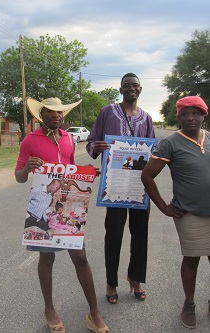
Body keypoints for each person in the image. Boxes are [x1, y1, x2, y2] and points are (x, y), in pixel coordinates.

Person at [15, 96, 110, 333]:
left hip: (67, 207)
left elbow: (70, 169)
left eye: (59, 113)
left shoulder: (68, 138)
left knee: (81, 258)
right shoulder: (30, 140)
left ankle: (94, 313)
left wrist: (87, 173)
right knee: (47, 259)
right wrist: (27, 168)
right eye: (50, 112)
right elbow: (19, 176)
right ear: (41, 115)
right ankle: (49, 309)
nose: (56, 116)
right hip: (43, 207)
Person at [141, 96, 210, 329]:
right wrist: (163, 206)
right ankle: (189, 304)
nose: (190, 117)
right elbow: (147, 175)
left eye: (195, 113)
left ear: (203, 115)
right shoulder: (170, 143)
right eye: (185, 114)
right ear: (178, 117)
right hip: (189, 213)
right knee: (191, 260)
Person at [86, 73, 155, 304]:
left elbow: (152, 152)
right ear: (121, 88)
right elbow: (90, 142)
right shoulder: (107, 112)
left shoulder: (146, 118)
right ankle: (111, 282)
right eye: (127, 85)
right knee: (114, 234)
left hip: (138, 187)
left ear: (140, 89)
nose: (131, 88)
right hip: (114, 186)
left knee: (140, 234)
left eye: (135, 85)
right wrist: (98, 145)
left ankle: (135, 278)